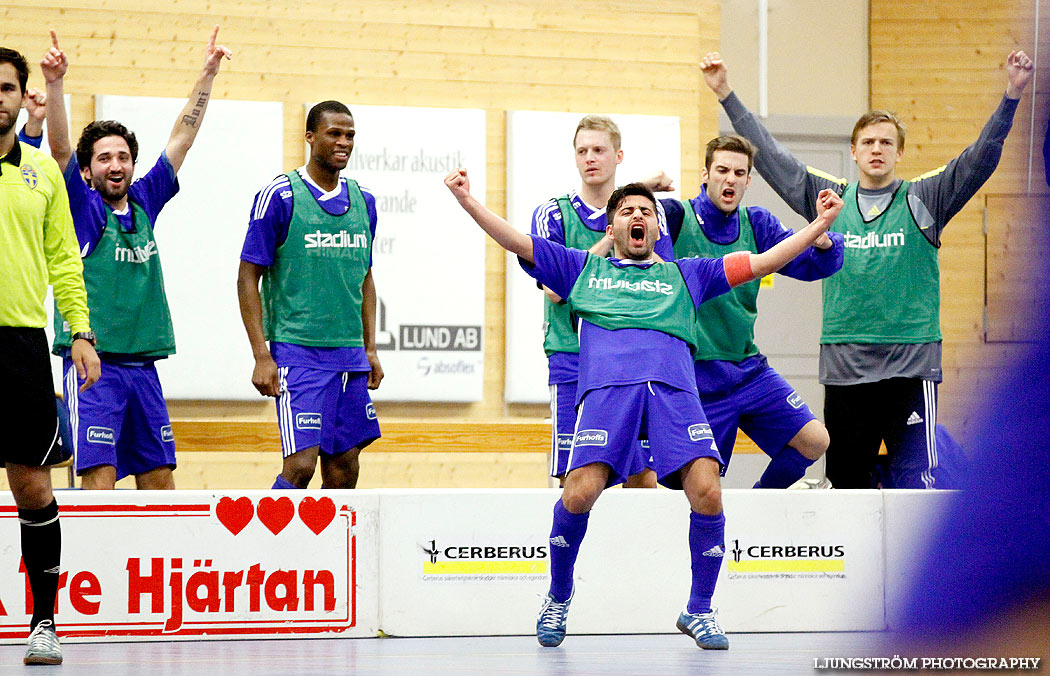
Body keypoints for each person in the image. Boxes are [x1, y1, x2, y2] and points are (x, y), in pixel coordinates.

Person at [445, 169, 843, 650]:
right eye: (627, 211)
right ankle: (558, 597)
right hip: (608, 397)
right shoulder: (582, 271)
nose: (638, 216)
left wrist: (819, 225)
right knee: (579, 494)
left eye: (647, 212)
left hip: (675, 396)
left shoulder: (687, 274)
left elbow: (763, 261)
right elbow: (518, 242)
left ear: (658, 229)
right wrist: (468, 200)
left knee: (708, 492)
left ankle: (700, 609)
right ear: (610, 229)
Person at [701, 49, 1035, 489]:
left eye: (886, 142)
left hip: (911, 367)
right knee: (846, 485)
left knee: (916, 485)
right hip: (846, 368)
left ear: (899, 151)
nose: (877, 149)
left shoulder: (926, 198)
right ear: (854, 151)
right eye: (868, 142)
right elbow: (771, 156)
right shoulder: (828, 196)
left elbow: (980, 159)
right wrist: (725, 93)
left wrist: (1012, 94)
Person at [40, 28, 232, 490]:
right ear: (88, 172)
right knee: (99, 483)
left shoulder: (146, 200)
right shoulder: (84, 207)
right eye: (104, 158)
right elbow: (62, 149)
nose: (116, 165)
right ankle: (87, 565)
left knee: (161, 486)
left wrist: (206, 76)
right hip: (93, 367)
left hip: (143, 370)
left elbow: (182, 137)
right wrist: (55, 84)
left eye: (123, 156)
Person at [663, 134, 844, 487]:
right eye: (722, 170)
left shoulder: (757, 223)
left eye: (739, 172)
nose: (729, 179)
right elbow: (631, 223)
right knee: (698, 486)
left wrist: (823, 240)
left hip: (748, 370)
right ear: (705, 173)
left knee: (815, 441)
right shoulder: (675, 218)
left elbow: (811, 266)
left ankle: (758, 502)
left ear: (748, 180)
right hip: (697, 378)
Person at [0, 45, 101, 665]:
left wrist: (82, 331)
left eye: (6, 88)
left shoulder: (41, 174)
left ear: (18, 96)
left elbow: (64, 259)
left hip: (19, 345)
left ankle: (43, 623)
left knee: (32, 483)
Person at [237, 100, 384, 490]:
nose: (344, 142)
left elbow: (365, 278)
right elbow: (248, 276)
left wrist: (370, 348)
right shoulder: (280, 196)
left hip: (349, 355)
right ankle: (269, 548)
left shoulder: (364, 201)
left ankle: (331, 552)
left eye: (350, 135)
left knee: (345, 466)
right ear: (310, 137)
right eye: (334, 133)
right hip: (298, 353)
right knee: (301, 465)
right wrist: (261, 354)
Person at [532, 114, 674, 488]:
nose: (589, 158)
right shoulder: (554, 213)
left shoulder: (648, 214)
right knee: (575, 479)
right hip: (571, 359)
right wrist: (613, 235)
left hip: (633, 361)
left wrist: (629, 211)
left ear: (618, 156)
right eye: (582, 151)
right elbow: (555, 289)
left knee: (643, 476)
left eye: (598, 150)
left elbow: (665, 280)